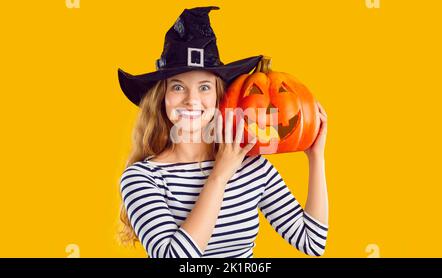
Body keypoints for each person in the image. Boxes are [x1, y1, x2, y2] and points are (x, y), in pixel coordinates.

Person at [117, 6, 329, 258]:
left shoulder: (252, 166)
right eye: (177, 87)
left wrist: (315, 157)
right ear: (161, 97)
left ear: (221, 97)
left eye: (204, 87)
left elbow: (312, 243)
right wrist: (219, 176)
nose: (191, 100)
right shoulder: (143, 178)